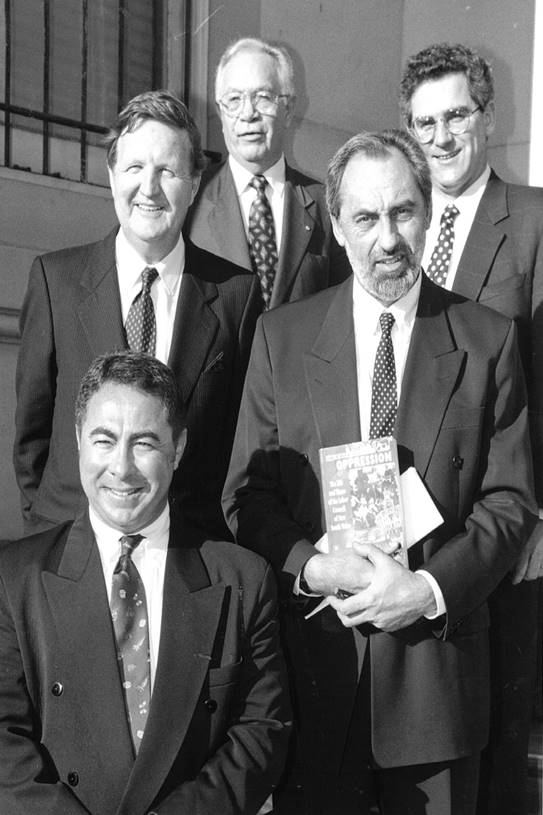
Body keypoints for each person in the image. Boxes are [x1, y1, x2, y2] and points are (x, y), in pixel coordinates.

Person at [223, 129, 536, 815]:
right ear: (335, 227)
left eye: (401, 212)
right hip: (313, 676)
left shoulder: (486, 340)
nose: (386, 237)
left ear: (426, 213)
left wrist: (426, 588)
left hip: (435, 684)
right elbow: (246, 494)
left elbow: (509, 502)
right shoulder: (282, 337)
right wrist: (311, 564)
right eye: (364, 217)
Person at [0, 351, 291, 815]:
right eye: (104, 440)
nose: (121, 467)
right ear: (77, 439)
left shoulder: (241, 580)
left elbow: (261, 730)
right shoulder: (15, 580)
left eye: (144, 443)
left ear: (177, 449)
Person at [13, 89, 262, 540]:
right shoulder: (57, 282)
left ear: (193, 185)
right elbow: (32, 437)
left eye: (167, 171)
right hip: (68, 546)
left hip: (186, 552)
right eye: (134, 168)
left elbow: (239, 444)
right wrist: (47, 530)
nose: (149, 188)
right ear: (111, 177)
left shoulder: (235, 296)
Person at [399, 42, 543, 815]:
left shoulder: (532, 221)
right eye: (424, 121)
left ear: (487, 117)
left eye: (455, 114)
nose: (441, 136)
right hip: (414, 527)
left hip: (504, 525)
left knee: (495, 730)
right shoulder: (397, 223)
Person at [186, 37, 349, 310]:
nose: (248, 113)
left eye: (263, 97)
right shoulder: (192, 199)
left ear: (288, 109)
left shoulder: (326, 203)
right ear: (220, 112)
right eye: (234, 99)